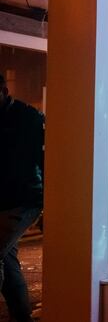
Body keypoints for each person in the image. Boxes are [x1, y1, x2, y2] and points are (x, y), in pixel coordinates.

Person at [0, 73, 44, 322]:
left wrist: (51, 199)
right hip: (8, 199)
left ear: (4, 91)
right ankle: (21, 316)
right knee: (7, 258)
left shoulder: (28, 117)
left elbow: (46, 158)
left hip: (24, 199)